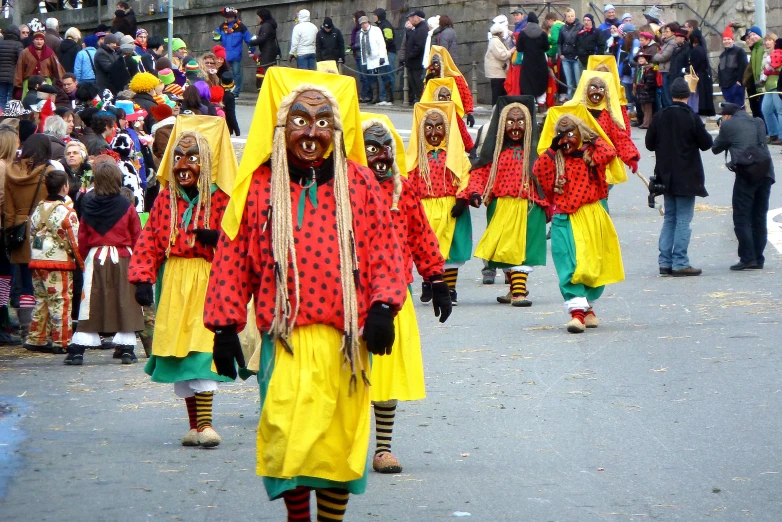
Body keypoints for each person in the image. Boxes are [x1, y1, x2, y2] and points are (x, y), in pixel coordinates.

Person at [204, 69, 405, 520]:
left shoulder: (358, 182)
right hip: (285, 339)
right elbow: (233, 257)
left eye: (321, 121)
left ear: (336, 129)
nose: (311, 133)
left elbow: (385, 246)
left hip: (344, 341)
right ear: (280, 127)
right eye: (299, 120)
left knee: (336, 443)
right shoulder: (259, 185)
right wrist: (223, 325)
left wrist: (384, 306)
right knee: (286, 438)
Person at [129, 116, 238, 448]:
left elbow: (240, 239)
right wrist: (142, 277)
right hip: (175, 281)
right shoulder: (166, 199)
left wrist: (218, 238)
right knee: (182, 354)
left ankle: (205, 425)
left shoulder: (220, 198)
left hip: (209, 281)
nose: (183, 165)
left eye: (192, 157)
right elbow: (150, 240)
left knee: (204, 350)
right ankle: (194, 426)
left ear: (206, 163)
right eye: (178, 157)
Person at [361, 113, 451, 473]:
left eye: (387, 149)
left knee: (386, 374)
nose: (381, 157)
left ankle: (383, 448)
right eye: (372, 149)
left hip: (395, 296)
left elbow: (421, 236)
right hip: (348, 297)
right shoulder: (343, 191)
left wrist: (437, 278)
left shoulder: (405, 189)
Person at [534, 106, 623, 333]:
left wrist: (591, 137)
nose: (566, 139)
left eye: (571, 133)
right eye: (561, 134)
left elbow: (609, 152)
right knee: (569, 264)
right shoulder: (555, 160)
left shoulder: (590, 155)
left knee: (592, 264)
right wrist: (552, 150)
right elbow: (539, 173)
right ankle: (576, 314)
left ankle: (588, 308)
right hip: (565, 217)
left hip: (591, 215)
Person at [469, 96, 548, 306]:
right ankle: (514, 290)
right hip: (501, 205)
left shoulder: (538, 153)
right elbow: (480, 173)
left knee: (523, 250)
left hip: (529, 207)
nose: (515, 127)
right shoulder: (495, 153)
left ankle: (519, 292)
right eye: (510, 122)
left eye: (520, 122)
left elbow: (550, 176)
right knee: (506, 249)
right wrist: (475, 192)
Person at [66, 160, 143, 365]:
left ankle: (78, 350)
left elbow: (83, 237)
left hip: (96, 256)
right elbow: (137, 235)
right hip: (123, 257)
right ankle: (126, 349)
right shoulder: (127, 206)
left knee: (91, 301)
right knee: (124, 300)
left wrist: (84, 259)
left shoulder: (89, 206)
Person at [645, 77, 713, 277]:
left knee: (670, 219)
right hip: (687, 174)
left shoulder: (660, 116)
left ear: (671, 95)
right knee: (683, 220)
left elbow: (649, 144)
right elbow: (706, 143)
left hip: (665, 174)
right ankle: (680, 261)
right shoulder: (690, 116)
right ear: (688, 95)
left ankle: (665, 262)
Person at [407, 101, 473, 304]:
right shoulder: (416, 157)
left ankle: (449, 288)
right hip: (425, 207)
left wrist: (463, 198)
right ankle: (429, 282)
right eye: (428, 127)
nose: (434, 132)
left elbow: (466, 176)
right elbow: (408, 180)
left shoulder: (456, 155)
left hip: (451, 206)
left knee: (452, 249)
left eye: (438, 127)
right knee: (427, 247)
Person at [5, 135, 58, 348]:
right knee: (47, 283)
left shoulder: (11, 172)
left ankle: (28, 330)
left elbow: (8, 209)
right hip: (42, 230)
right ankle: (45, 331)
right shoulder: (50, 173)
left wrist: (10, 233)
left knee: (26, 282)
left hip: (19, 227)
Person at [711, 103, 775, 270]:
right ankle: (758, 257)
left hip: (747, 173)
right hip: (766, 171)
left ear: (726, 115)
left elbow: (716, 148)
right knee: (759, 217)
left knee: (741, 217)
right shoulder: (758, 121)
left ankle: (747, 258)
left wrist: (722, 129)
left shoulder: (728, 125)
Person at [27, 169, 82, 354]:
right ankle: (62, 340)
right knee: (61, 301)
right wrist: (81, 264)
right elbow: (75, 242)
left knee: (41, 300)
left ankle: (36, 338)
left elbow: (31, 234)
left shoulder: (37, 209)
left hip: (36, 261)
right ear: (65, 187)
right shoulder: (68, 213)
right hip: (59, 263)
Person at [214, 7, 253, 95]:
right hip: (224, 55)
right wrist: (216, 36)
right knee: (223, 73)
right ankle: (223, 89)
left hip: (236, 55)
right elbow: (216, 36)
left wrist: (251, 50)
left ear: (233, 16)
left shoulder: (241, 26)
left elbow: (248, 39)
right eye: (225, 16)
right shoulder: (222, 26)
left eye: (228, 16)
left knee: (236, 73)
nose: (226, 18)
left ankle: (236, 91)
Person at [14, 31, 66, 96]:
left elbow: (57, 68)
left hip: (45, 82)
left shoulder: (50, 53)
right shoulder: (25, 52)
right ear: (33, 40)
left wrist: (62, 82)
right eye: (37, 39)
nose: (39, 42)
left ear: (44, 41)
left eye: (41, 39)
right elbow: (19, 69)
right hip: (29, 83)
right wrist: (18, 86)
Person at [516, 13, 550, 111]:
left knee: (528, 83)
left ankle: (530, 104)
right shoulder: (542, 33)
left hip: (527, 62)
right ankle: (541, 104)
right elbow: (546, 48)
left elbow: (519, 48)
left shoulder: (523, 33)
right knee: (541, 82)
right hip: (540, 63)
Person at [358, 15, 389, 105]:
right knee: (372, 78)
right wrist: (364, 62)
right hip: (369, 59)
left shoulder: (376, 30)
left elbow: (381, 43)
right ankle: (376, 97)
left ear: (368, 22)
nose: (364, 25)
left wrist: (382, 56)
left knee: (384, 76)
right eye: (362, 24)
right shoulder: (361, 34)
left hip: (379, 56)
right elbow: (362, 49)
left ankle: (388, 96)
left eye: (365, 23)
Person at [249, 8, 279, 93]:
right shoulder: (269, 24)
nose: (258, 18)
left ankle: (267, 90)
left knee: (266, 70)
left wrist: (252, 42)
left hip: (267, 51)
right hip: (270, 50)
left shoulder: (266, 25)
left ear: (262, 17)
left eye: (258, 17)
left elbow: (263, 38)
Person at [718, 25, 748, 108]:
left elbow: (743, 66)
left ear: (732, 40)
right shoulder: (722, 55)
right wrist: (721, 83)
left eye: (728, 39)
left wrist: (739, 81)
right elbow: (720, 70)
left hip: (736, 85)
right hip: (725, 86)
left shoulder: (739, 51)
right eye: (724, 39)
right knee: (729, 109)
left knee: (739, 107)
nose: (726, 41)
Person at [687, 30, 715, 116]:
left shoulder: (696, 50)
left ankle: (697, 110)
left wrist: (685, 69)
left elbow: (693, 66)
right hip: (703, 76)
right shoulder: (702, 49)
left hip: (698, 76)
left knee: (697, 97)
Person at [373, 8, 397, 106]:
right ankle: (384, 97)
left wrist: (381, 49)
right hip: (383, 53)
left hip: (388, 53)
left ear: (379, 16)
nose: (374, 17)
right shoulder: (379, 26)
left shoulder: (386, 26)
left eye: (375, 15)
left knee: (389, 74)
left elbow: (389, 39)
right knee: (383, 75)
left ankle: (389, 97)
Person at [558, 9, 583, 100]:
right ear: (566, 17)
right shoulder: (563, 28)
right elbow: (559, 43)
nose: (570, 18)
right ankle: (570, 99)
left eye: (572, 16)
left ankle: (578, 99)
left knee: (578, 80)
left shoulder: (580, 27)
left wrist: (578, 55)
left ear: (575, 16)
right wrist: (560, 54)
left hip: (576, 57)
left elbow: (581, 42)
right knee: (569, 81)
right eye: (568, 16)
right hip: (566, 57)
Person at [485, 23, 512, 105]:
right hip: (497, 73)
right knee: (497, 93)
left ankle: (498, 109)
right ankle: (496, 111)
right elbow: (501, 55)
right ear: (499, 32)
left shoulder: (497, 40)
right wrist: (511, 51)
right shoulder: (495, 41)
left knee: (499, 93)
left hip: (499, 72)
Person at [653, 23, 678, 109]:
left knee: (667, 96)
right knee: (664, 95)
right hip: (663, 70)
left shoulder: (672, 43)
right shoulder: (666, 42)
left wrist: (655, 55)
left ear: (673, 32)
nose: (665, 34)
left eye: (667, 31)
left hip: (667, 70)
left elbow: (663, 57)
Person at [405, 10, 429, 104]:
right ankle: (419, 98)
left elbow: (419, 45)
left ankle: (421, 99)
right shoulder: (417, 28)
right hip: (413, 62)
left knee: (418, 82)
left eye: (413, 17)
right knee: (413, 82)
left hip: (417, 61)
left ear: (418, 18)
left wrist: (410, 55)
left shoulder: (422, 29)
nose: (412, 19)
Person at [743, 26, 765, 120]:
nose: (752, 37)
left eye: (754, 35)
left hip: (764, 82)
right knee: (758, 109)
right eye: (750, 36)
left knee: (765, 109)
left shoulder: (762, 47)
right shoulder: (754, 50)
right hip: (756, 84)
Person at [0, 26, 24, 109]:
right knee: (11, 96)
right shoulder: (18, 45)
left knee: (1, 96)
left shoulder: (0, 43)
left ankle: (1, 115)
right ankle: (9, 115)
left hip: (1, 75)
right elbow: (21, 59)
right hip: (13, 75)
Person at [633, 52, 657, 128]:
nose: (640, 60)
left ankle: (647, 123)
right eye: (639, 59)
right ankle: (644, 122)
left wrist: (646, 88)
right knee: (643, 107)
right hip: (640, 90)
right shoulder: (638, 68)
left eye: (642, 58)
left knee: (648, 108)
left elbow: (650, 80)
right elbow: (636, 78)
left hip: (647, 91)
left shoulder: (649, 69)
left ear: (646, 60)